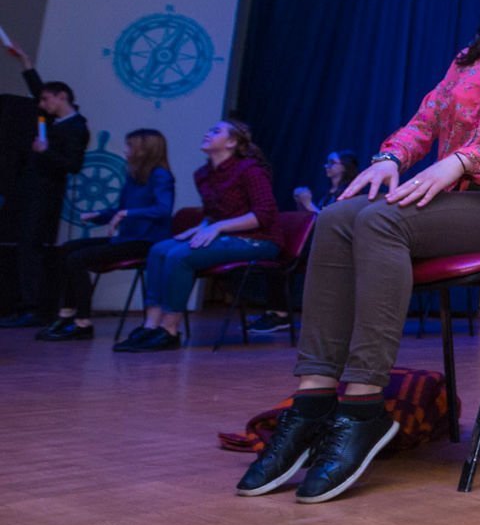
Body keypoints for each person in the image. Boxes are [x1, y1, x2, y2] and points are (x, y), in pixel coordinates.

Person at [235, 0, 480, 505]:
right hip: (468, 204)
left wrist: (463, 161)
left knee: (381, 222)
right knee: (338, 216)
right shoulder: (468, 58)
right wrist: (389, 159)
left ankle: (363, 406)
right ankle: (312, 400)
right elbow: (425, 122)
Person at [116, 120, 281, 353]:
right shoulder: (203, 174)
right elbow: (216, 213)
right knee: (159, 250)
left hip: (258, 239)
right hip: (224, 234)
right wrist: (202, 226)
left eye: (216, 131)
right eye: (209, 130)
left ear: (232, 142)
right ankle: (150, 325)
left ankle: (169, 329)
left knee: (180, 256)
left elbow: (264, 214)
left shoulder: (250, 170)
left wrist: (217, 227)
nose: (208, 133)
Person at [35, 128, 175, 341]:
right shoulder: (134, 176)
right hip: (127, 238)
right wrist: (98, 215)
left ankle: (83, 321)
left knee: (78, 259)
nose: (126, 150)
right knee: (67, 249)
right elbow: (121, 210)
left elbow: (163, 209)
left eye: (130, 146)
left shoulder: (161, 176)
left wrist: (126, 214)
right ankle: (67, 313)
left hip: (146, 241)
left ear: (145, 150)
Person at [0, 46, 91, 329]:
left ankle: (36, 309)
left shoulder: (77, 127)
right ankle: (23, 304)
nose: (41, 104)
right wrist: (25, 62)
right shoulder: (53, 120)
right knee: (22, 247)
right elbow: (38, 88)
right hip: (29, 192)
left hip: (46, 196)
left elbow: (73, 164)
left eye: (46, 99)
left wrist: (45, 152)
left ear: (62, 97)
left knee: (32, 248)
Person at [247, 148, 358, 335]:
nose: (326, 166)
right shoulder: (328, 193)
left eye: (332, 163)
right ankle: (274, 311)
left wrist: (308, 204)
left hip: (334, 248)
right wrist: (302, 204)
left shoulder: (349, 194)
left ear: (345, 167)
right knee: (278, 258)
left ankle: (280, 314)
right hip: (316, 244)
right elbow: (312, 222)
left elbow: (331, 223)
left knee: (284, 261)